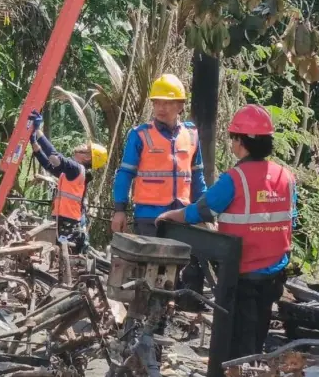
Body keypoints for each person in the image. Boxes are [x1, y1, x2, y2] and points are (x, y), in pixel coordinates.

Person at [156, 104, 296, 361]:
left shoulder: (235, 179)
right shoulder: (286, 177)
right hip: (275, 272)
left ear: (241, 142)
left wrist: (170, 216)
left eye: (233, 138)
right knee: (257, 335)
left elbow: (202, 211)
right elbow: (289, 219)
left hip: (242, 273)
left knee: (236, 342)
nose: (232, 143)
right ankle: (250, 375)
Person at [110, 73, 204, 235]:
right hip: (148, 217)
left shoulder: (191, 134)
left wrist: (203, 211)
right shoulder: (140, 135)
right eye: (157, 102)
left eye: (167, 103)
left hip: (182, 216)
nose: (161, 108)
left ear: (180, 106)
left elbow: (197, 176)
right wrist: (119, 210)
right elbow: (124, 174)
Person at [27, 109, 106, 256]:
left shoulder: (76, 168)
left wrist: (38, 131)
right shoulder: (73, 172)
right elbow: (49, 164)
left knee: (64, 257)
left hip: (68, 223)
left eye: (86, 148)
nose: (82, 145)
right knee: (59, 256)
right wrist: (34, 144)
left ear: (88, 157)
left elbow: (54, 156)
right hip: (64, 220)